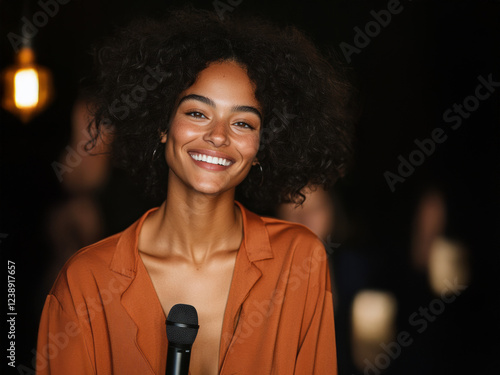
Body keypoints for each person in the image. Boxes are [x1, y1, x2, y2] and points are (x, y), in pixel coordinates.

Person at [36, 8, 353, 375]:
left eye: (242, 122)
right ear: (162, 125)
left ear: (262, 146)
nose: (218, 135)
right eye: (197, 113)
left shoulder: (298, 261)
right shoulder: (85, 281)